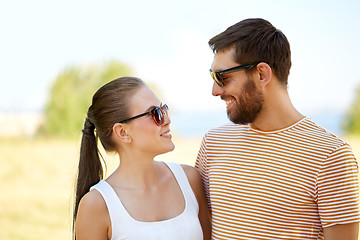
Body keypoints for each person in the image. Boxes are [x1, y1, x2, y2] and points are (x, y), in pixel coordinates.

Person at [195, 18, 360, 239]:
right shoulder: (213, 143)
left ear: (262, 74)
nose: (215, 90)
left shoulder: (331, 156)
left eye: (222, 77)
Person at [73, 77, 211, 240]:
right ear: (123, 132)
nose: (167, 120)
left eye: (163, 109)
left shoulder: (190, 180)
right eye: (155, 114)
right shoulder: (96, 205)